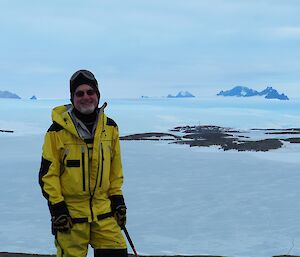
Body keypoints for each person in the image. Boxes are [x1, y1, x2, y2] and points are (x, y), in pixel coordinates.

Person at [39, 69, 128, 257]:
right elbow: (49, 175)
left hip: (103, 212)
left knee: (117, 250)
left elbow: (115, 170)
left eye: (90, 92)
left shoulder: (110, 128)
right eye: (79, 93)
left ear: (97, 95)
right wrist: (57, 208)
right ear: (72, 98)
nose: (85, 97)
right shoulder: (56, 132)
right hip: (70, 216)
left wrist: (118, 200)